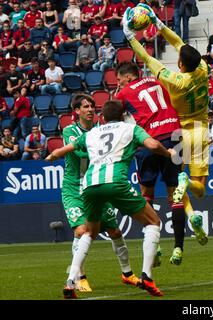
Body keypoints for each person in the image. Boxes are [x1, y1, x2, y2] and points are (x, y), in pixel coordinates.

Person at [46, 100, 174, 299]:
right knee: (153, 222)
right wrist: (168, 153)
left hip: (89, 186)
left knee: (89, 232)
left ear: (102, 117)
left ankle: (71, 282)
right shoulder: (131, 128)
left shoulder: (91, 134)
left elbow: (63, 150)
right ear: (123, 115)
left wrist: (52, 156)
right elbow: (153, 144)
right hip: (115, 183)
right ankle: (147, 276)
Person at [123, 4, 210, 251]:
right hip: (201, 129)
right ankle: (188, 190)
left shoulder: (176, 81)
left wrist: (131, 37)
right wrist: (159, 25)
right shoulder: (204, 69)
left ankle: (184, 201)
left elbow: (148, 58)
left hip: (179, 132)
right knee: (199, 188)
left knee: (174, 189)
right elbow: (180, 44)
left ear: (180, 64)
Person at [57, 94, 141, 293]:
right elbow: (78, 152)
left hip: (96, 184)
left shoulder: (99, 130)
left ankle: (127, 274)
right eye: (85, 106)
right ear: (76, 111)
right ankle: (80, 277)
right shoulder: (70, 130)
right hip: (74, 189)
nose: (90, 109)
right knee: (81, 231)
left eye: (92, 106)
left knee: (115, 232)